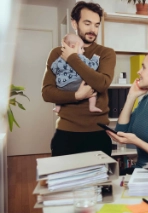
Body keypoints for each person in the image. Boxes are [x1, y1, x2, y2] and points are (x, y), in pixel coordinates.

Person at [42, 1, 116, 157]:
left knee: (101, 182)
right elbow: (47, 92)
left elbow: (101, 84)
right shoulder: (57, 53)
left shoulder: (106, 53)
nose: (93, 30)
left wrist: (72, 58)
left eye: (96, 25)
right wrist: (77, 96)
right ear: (74, 23)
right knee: (64, 181)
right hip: (66, 134)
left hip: (98, 134)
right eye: (87, 23)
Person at [51, 33, 102, 113]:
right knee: (92, 90)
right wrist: (95, 58)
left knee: (59, 94)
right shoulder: (80, 58)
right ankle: (92, 106)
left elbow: (53, 68)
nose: (83, 50)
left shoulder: (60, 58)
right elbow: (92, 67)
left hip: (62, 86)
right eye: (81, 48)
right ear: (72, 47)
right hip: (76, 84)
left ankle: (57, 107)